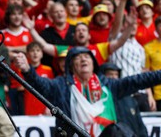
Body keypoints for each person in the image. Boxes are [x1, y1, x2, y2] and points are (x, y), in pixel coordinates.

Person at [14, 46, 161, 137]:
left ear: (93, 64)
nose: (83, 60)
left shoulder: (109, 85)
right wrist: (27, 70)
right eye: (78, 58)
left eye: (87, 57)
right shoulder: (61, 86)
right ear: (71, 67)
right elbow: (41, 85)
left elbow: (141, 79)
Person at [100, 63, 148, 137]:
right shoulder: (100, 100)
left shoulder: (130, 99)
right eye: (110, 74)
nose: (114, 77)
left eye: (116, 74)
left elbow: (140, 126)